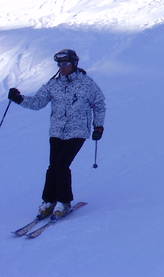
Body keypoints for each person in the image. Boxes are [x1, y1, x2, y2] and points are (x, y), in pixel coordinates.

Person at [7, 49, 106, 219]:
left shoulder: (87, 84)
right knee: (53, 167)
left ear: (74, 63)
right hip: (56, 131)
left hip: (77, 131)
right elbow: (38, 103)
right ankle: (49, 201)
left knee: (61, 166)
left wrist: (98, 127)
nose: (62, 67)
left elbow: (99, 104)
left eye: (66, 63)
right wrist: (19, 98)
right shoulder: (53, 85)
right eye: (59, 64)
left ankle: (64, 202)